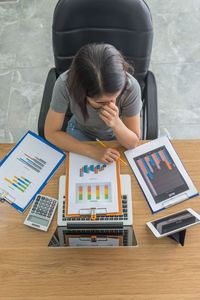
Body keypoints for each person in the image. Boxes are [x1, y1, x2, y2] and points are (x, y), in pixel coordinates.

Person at [45, 43, 142, 164]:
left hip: (118, 135)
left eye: (115, 97)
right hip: (80, 131)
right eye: (101, 102)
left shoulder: (130, 87)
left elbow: (132, 143)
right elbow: (51, 133)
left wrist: (116, 124)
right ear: (82, 93)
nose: (111, 104)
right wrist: (92, 151)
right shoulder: (65, 84)